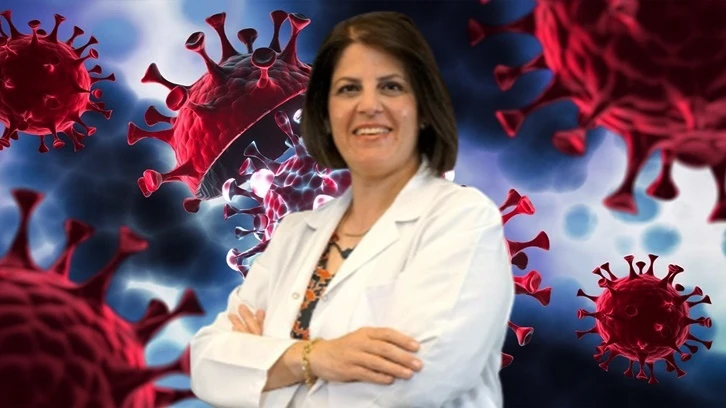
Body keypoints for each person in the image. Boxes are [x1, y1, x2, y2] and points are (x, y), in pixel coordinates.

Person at [190, 10, 514, 408]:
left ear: (425, 107)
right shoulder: (293, 233)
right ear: (324, 115)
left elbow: (417, 380)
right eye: (348, 89)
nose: (369, 106)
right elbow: (207, 365)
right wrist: (318, 358)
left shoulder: (463, 220)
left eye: (391, 86)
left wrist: (266, 365)